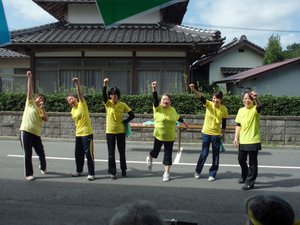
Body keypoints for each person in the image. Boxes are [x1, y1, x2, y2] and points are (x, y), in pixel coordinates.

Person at [146, 81, 189, 182]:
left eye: (168, 99)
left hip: (170, 136)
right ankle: (150, 157)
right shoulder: (157, 108)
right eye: (164, 99)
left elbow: (178, 117)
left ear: (170, 101)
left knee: (168, 154)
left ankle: (166, 173)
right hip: (159, 135)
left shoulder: (172, 109)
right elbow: (155, 99)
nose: (166, 101)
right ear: (161, 101)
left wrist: (185, 123)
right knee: (155, 152)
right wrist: (154, 89)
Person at [189, 84, 228, 182]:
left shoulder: (223, 109)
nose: (215, 100)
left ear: (221, 99)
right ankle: (198, 171)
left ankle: (212, 174)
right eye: (214, 98)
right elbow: (200, 97)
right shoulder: (209, 104)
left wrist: (223, 133)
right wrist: (194, 89)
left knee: (216, 155)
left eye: (217, 99)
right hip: (206, 133)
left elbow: (224, 122)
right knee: (204, 153)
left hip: (216, 135)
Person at [102, 78, 135, 179]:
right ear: (109, 96)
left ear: (118, 95)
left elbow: (132, 115)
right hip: (110, 132)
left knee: (122, 152)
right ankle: (113, 172)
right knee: (111, 153)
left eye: (115, 94)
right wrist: (104, 85)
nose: (113, 96)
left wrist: (124, 121)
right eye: (111, 94)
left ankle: (123, 169)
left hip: (121, 131)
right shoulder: (108, 104)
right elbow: (103, 95)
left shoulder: (123, 105)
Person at [19, 71, 48, 181]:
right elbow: (29, 91)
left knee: (41, 152)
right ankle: (29, 174)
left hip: (36, 134)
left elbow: (46, 119)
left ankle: (43, 166)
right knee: (28, 153)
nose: (40, 100)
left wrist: (42, 108)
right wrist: (29, 78)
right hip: (25, 131)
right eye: (39, 98)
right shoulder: (29, 103)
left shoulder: (41, 110)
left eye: (42, 100)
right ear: (35, 98)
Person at [66, 77, 95, 181]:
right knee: (78, 154)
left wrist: (77, 83)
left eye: (72, 99)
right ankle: (79, 171)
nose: (71, 101)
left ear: (76, 99)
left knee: (89, 154)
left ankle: (91, 173)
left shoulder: (82, 104)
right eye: (69, 100)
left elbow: (79, 93)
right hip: (78, 134)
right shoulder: (72, 111)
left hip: (87, 133)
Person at [234, 91, 262, 190]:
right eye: (245, 98)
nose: (247, 100)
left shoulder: (255, 109)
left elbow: (259, 106)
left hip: (253, 140)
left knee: (252, 162)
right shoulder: (240, 110)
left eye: (249, 99)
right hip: (243, 140)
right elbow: (238, 125)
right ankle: (244, 176)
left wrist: (256, 98)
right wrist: (236, 137)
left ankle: (250, 182)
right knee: (241, 159)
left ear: (252, 100)